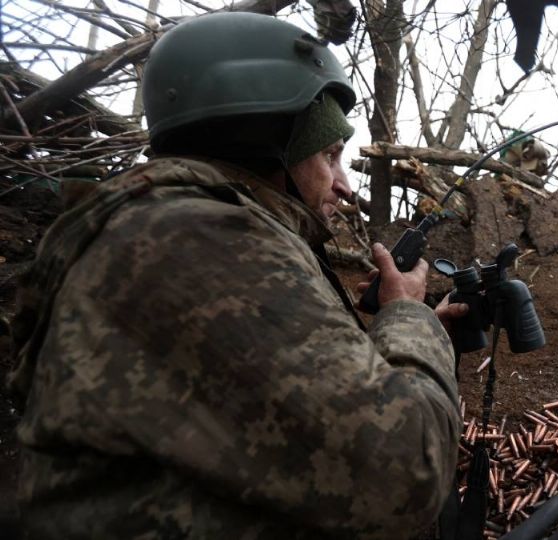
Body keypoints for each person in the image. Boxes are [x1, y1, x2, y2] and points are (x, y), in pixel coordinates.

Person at [7, 12, 464, 539]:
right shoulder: (196, 237)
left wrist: (404, 334)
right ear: (263, 141)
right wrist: (407, 317)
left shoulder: (170, 231)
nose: (345, 187)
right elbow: (406, 472)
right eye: (329, 155)